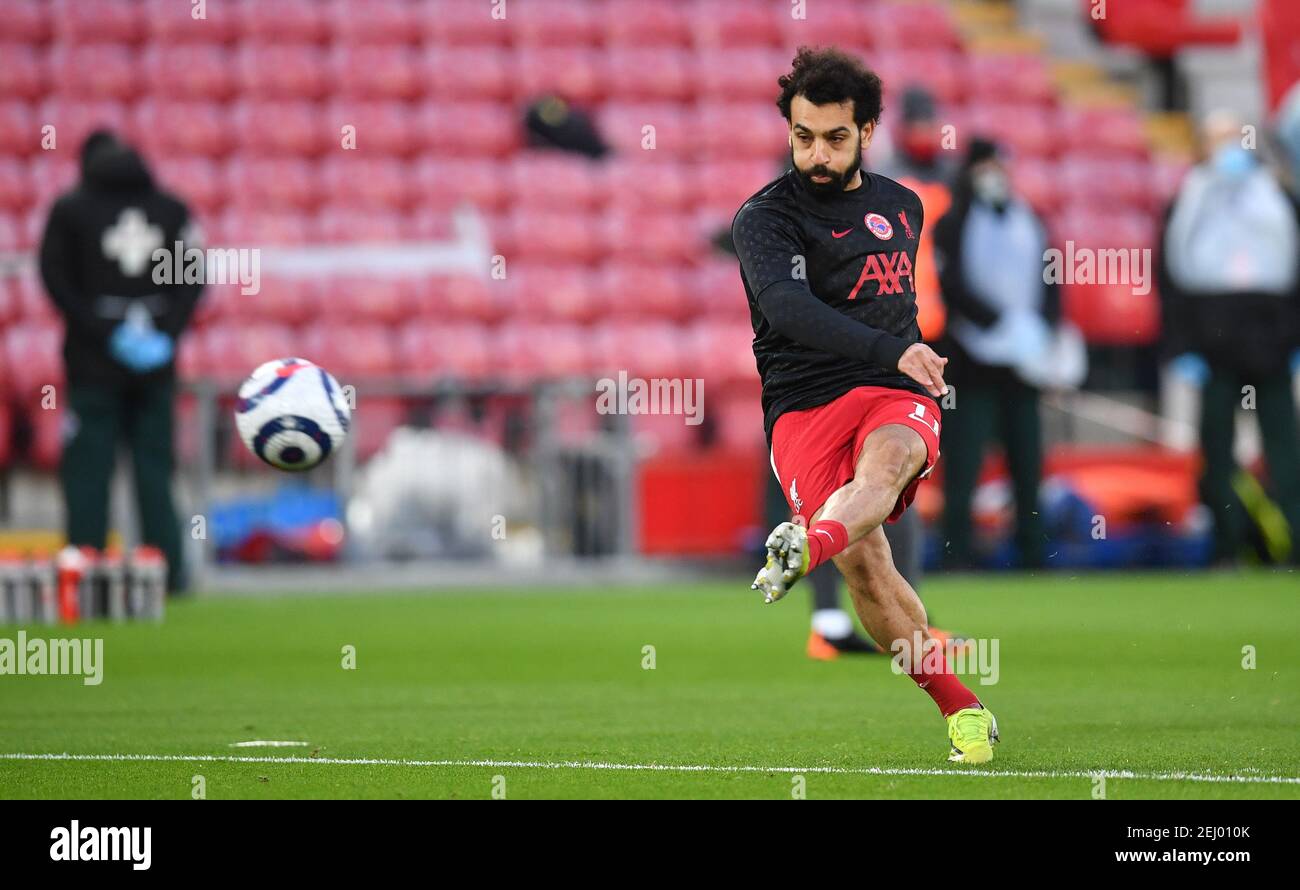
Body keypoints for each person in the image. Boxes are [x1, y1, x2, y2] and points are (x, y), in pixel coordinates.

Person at [733, 47, 998, 763]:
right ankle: (963, 707)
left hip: (893, 391)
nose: (817, 153)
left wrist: (898, 362)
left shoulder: (902, 206)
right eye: (803, 136)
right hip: (802, 405)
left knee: (883, 474)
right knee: (869, 570)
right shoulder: (763, 219)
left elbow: (892, 310)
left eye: (835, 137)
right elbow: (787, 309)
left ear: (869, 130)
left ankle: (805, 545)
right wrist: (892, 351)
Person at [39, 129, 204, 593]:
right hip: (155, 365)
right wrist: (164, 335)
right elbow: (193, 280)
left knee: (89, 469)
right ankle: (167, 573)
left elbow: (55, 279)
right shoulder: (171, 210)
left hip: (93, 365)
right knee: (156, 468)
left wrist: (104, 332)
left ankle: (84, 573)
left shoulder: (71, 210)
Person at [1158, 111, 1300, 566]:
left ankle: (1291, 542)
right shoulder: (1190, 195)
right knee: (1216, 452)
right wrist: (1180, 346)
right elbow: (1170, 275)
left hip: (1270, 338)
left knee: (1283, 447)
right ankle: (1226, 546)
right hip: (1212, 338)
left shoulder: (1277, 195)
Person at [932, 139, 1060, 570]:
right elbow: (951, 287)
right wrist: (996, 324)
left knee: (1027, 461)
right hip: (972, 364)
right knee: (964, 462)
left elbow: (1049, 278)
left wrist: (1041, 330)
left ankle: (1032, 550)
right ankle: (957, 551)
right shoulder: (952, 222)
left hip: (1022, 365)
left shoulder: (1030, 219)